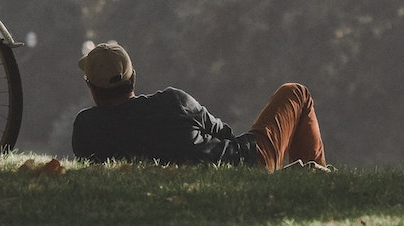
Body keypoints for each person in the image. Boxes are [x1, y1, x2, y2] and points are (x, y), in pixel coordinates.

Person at [71, 41, 327, 170]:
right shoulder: (174, 102)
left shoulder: (86, 129)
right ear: (134, 77)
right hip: (244, 161)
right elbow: (225, 134)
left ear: (92, 89)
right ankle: (320, 178)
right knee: (296, 93)